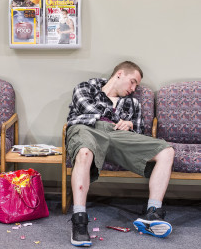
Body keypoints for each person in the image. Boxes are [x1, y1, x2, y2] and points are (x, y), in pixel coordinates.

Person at [65, 61, 174, 247]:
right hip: (87, 128)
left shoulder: (133, 103)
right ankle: (79, 220)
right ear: (119, 74)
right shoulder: (86, 87)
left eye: (137, 85)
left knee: (167, 151)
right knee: (84, 152)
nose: (133, 88)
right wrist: (119, 118)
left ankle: (152, 214)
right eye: (132, 82)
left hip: (117, 135)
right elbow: (87, 110)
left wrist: (130, 125)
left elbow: (141, 132)